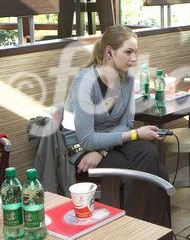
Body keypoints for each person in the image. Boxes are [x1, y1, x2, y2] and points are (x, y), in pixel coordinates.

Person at [62, 26, 170, 225]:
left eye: (135, 52)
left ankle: (144, 230)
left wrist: (102, 151)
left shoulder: (127, 78)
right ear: (109, 52)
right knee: (155, 174)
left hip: (105, 145)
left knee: (149, 153)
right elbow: (87, 139)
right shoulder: (85, 82)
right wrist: (135, 134)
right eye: (128, 52)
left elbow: (127, 123)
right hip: (82, 149)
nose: (134, 58)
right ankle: (135, 229)